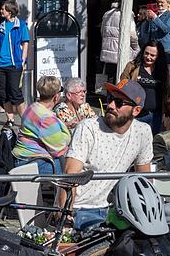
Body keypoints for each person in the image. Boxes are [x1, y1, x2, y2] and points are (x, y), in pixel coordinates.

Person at [62, 80, 153, 230]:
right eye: (110, 99)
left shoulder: (142, 131)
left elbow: (143, 179)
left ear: (136, 111)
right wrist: (65, 215)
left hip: (117, 209)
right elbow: (69, 176)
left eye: (118, 102)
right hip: (83, 208)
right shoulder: (88, 127)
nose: (110, 106)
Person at [12, 76, 71, 174]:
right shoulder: (46, 118)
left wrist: (60, 126)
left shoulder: (33, 107)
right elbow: (59, 149)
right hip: (33, 163)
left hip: (23, 158)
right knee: (74, 168)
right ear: (56, 96)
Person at [119, 41, 170, 134]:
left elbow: (167, 93)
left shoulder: (162, 70)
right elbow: (122, 85)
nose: (148, 57)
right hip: (137, 115)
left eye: (152, 55)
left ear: (158, 56)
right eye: (146, 53)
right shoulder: (133, 67)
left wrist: (166, 114)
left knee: (152, 144)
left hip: (156, 116)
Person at [0, 0, 30, 125]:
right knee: (3, 93)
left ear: (10, 11)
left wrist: (23, 60)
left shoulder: (21, 25)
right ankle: (10, 119)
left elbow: (25, 43)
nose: (1, 11)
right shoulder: (1, 25)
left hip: (14, 64)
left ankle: (25, 121)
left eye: (3, 9)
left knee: (15, 93)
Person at [99, 0, 139, 83]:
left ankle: (110, 96)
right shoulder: (127, 14)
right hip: (120, 52)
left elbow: (102, 31)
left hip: (108, 52)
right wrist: (136, 47)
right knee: (121, 78)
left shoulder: (107, 14)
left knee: (109, 77)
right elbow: (132, 34)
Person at [144, 0, 170, 65]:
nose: (159, 4)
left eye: (162, 2)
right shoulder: (156, 14)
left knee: (165, 72)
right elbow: (148, 31)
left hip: (164, 49)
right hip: (153, 48)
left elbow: (166, 29)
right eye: (158, 2)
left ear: (168, 3)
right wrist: (148, 20)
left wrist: (155, 18)